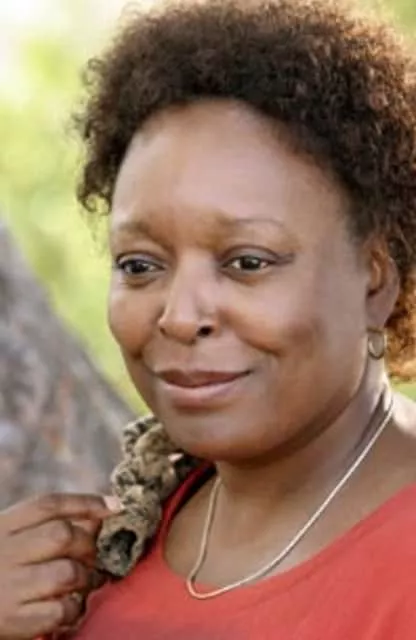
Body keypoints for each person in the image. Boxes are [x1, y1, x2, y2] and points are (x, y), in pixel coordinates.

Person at [2, 0, 416, 637]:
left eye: (247, 262)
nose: (178, 316)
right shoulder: (99, 558)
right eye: (140, 265)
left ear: (376, 279)